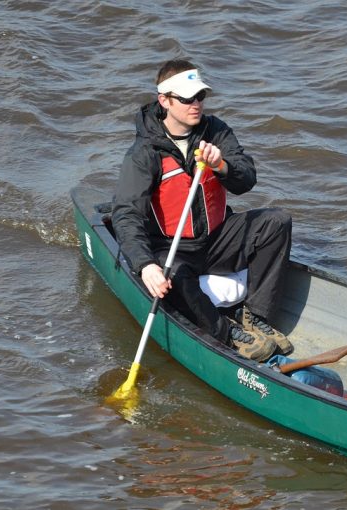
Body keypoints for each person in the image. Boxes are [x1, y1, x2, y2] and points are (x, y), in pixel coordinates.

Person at [111, 58, 292, 362]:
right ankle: (226, 335)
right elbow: (125, 215)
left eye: (200, 96)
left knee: (277, 222)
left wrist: (222, 165)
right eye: (187, 98)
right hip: (171, 249)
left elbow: (246, 179)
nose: (196, 104)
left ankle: (256, 316)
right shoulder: (144, 153)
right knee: (175, 275)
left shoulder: (215, 130)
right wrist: (145, 265)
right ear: (164, 101)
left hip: (217, 240)